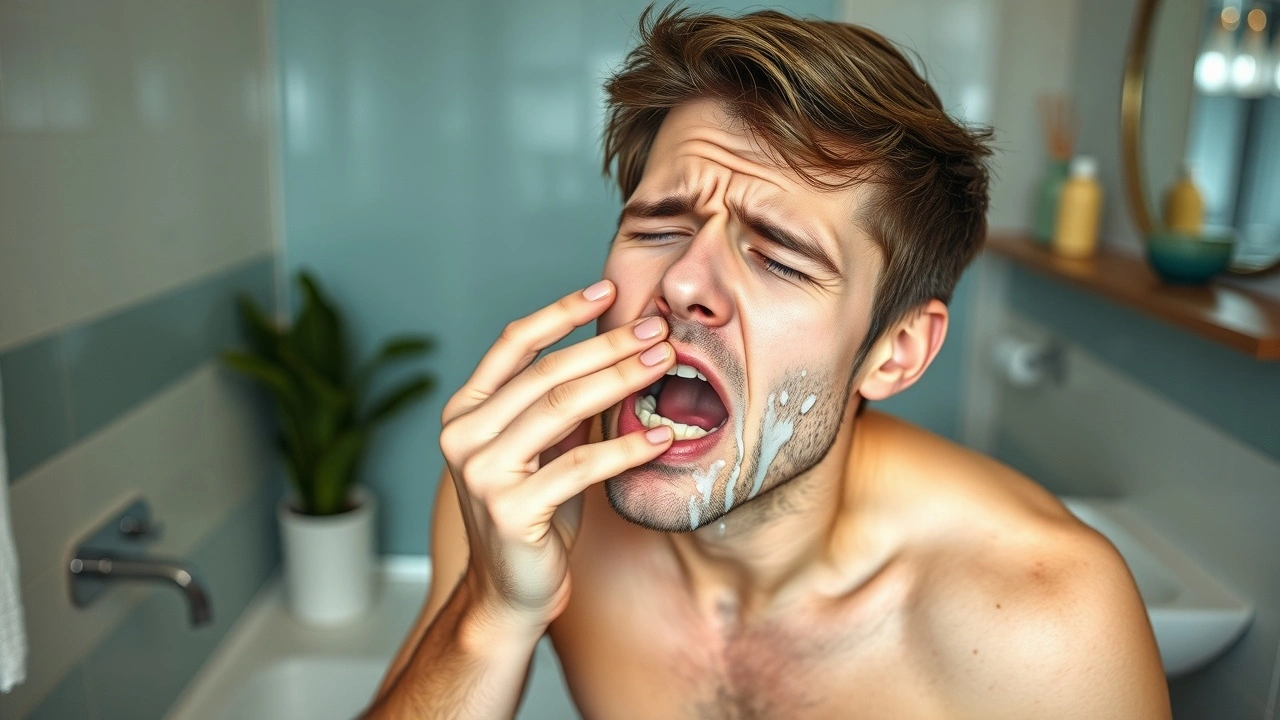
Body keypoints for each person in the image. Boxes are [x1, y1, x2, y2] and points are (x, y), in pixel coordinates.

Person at [365, 5, 1170, 718]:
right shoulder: (523, 494)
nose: (682, 281)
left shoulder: (1049, 622)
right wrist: (494, 612)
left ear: (892, 354)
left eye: (780, 257)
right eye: (657, 228)